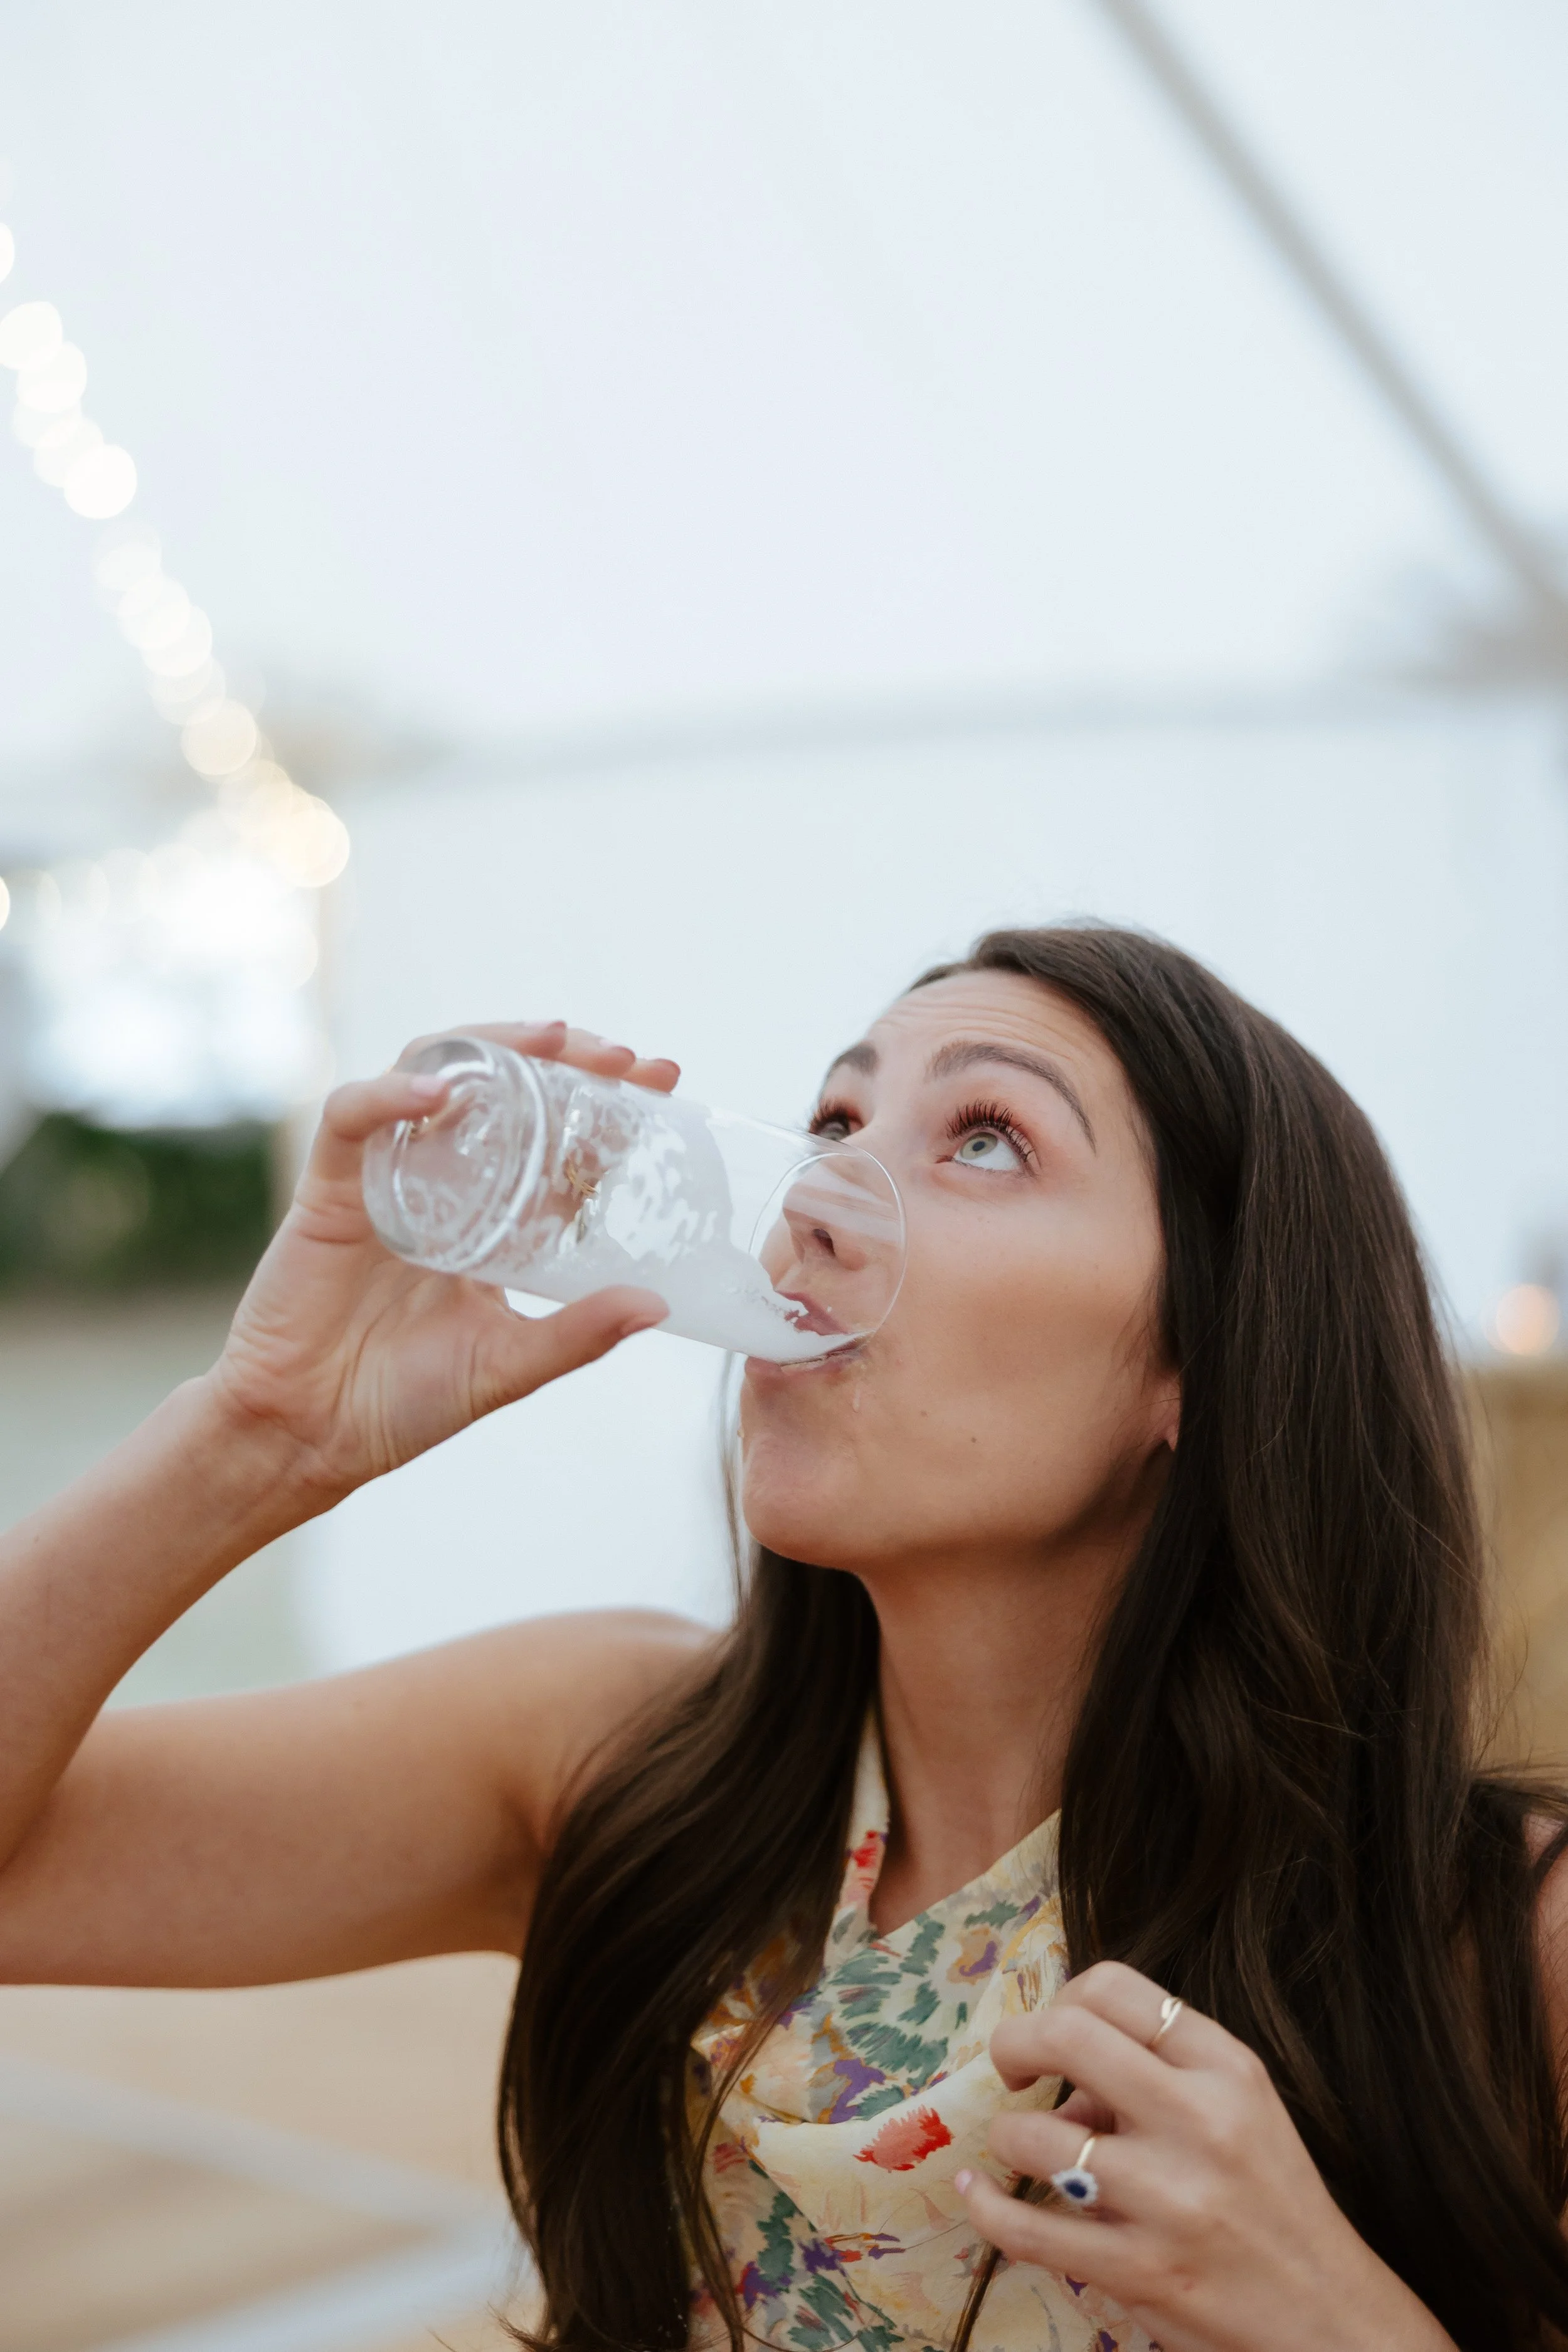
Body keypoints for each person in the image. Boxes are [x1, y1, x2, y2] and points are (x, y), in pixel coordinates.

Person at [1, 923, 1565, 2352]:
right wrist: (255, 1436)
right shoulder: (612, 1763)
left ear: (1207, 1362)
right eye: (832, 1125)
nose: (815, 1203)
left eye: (983, 1139)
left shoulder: (1501, 1946)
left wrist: (1339, 2319)